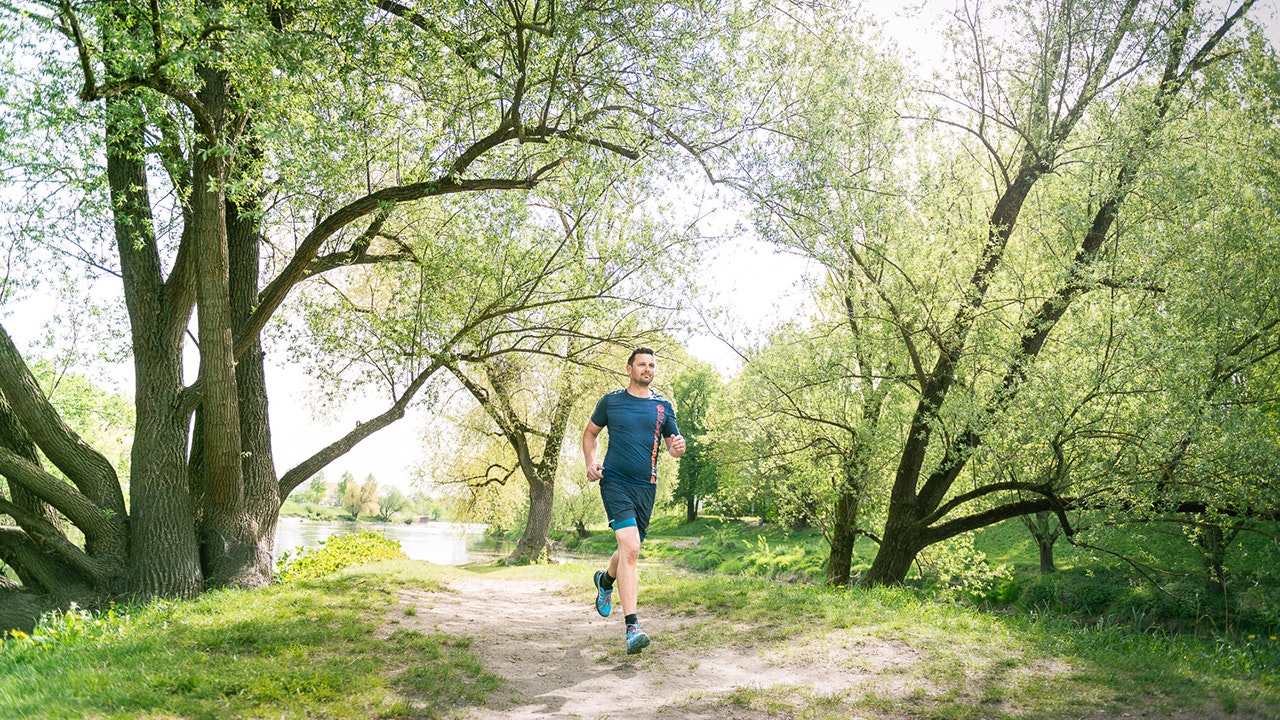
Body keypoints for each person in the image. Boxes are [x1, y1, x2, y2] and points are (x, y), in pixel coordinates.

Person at [582, 347, 685, 654]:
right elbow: (590, 433)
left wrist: (678, 448)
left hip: (646, 487)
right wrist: (591, 461)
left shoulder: (663, 406)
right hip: (614, 482)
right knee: (632, 547)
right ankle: (632, 628)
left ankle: (605, 580)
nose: (648, 369)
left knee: (628, 550)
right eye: (642, 364)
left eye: (652, 365)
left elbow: (672, 445)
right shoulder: (611, 401)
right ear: (629, 369)